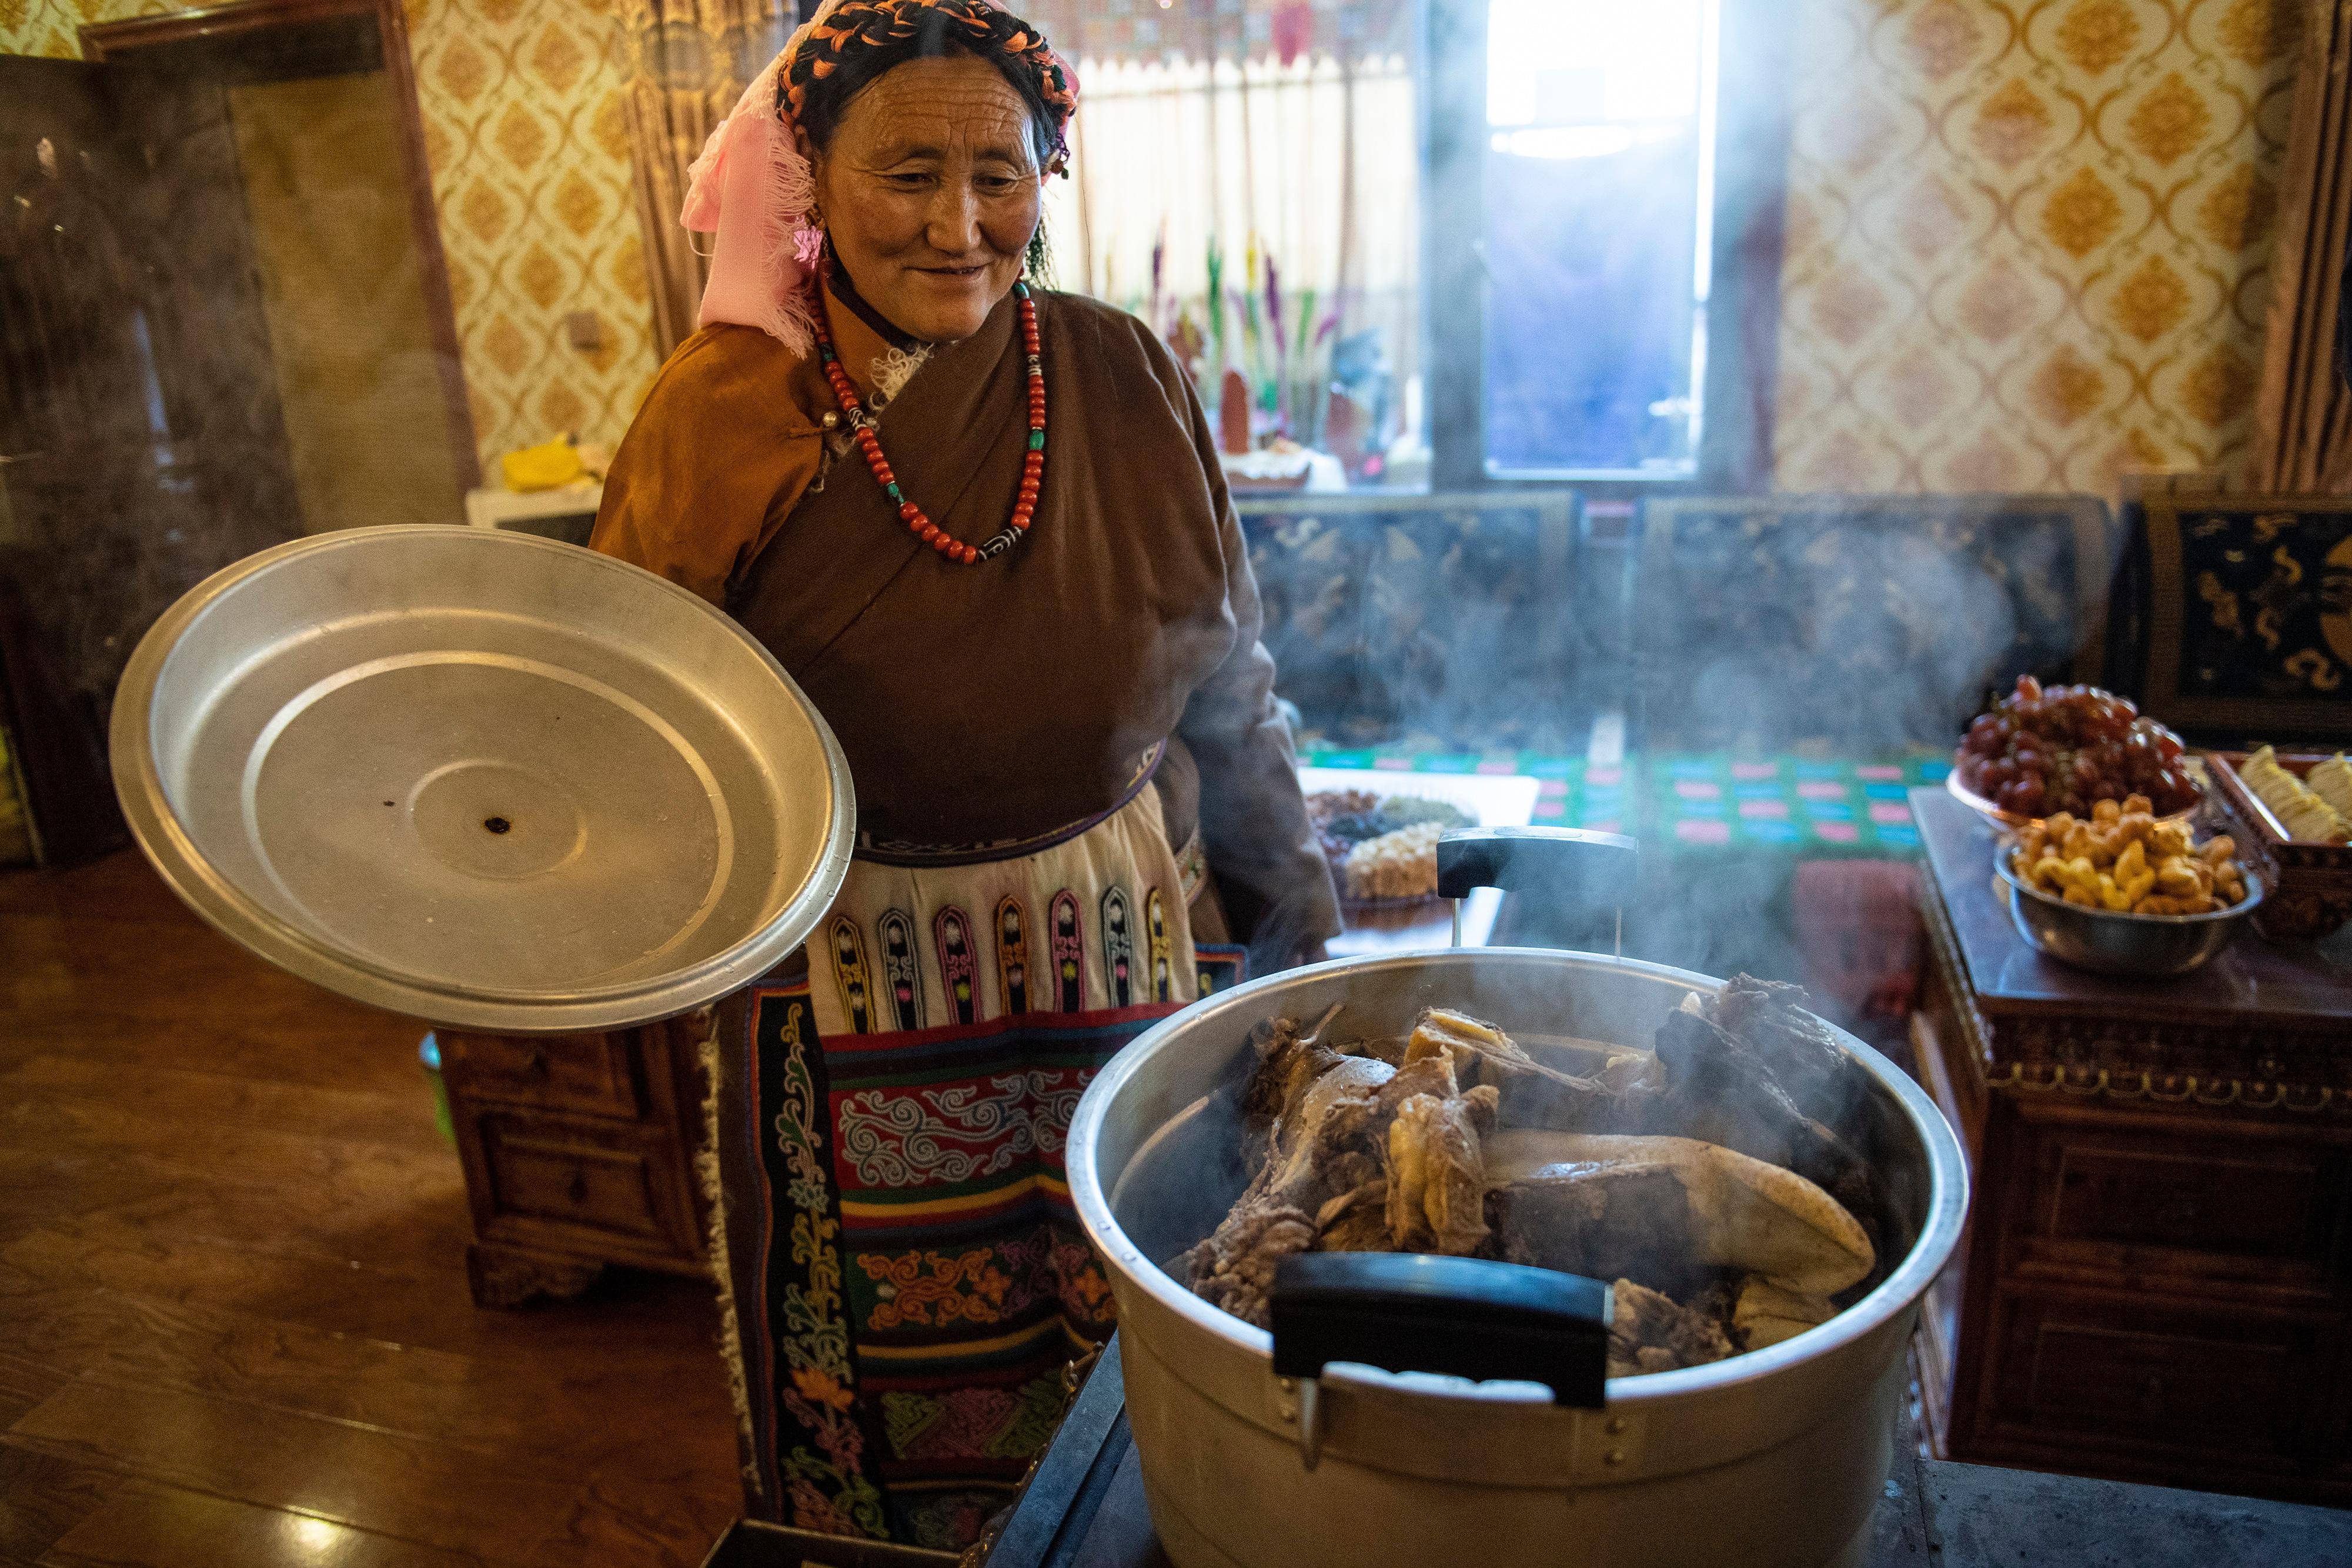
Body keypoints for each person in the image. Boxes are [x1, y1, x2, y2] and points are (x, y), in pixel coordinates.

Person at [590, 0, 1338, 1547]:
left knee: (1150, 1329)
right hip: (846, 974)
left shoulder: (1123, 378)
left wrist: (1305, 936)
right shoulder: (718, 414)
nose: (960, 224)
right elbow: (632, 738)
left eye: (1002, 174)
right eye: (908, 172)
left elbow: (1228, 686)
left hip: (1119, 944)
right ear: (808, 186)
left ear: (1049, 178)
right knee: (877, 1384)